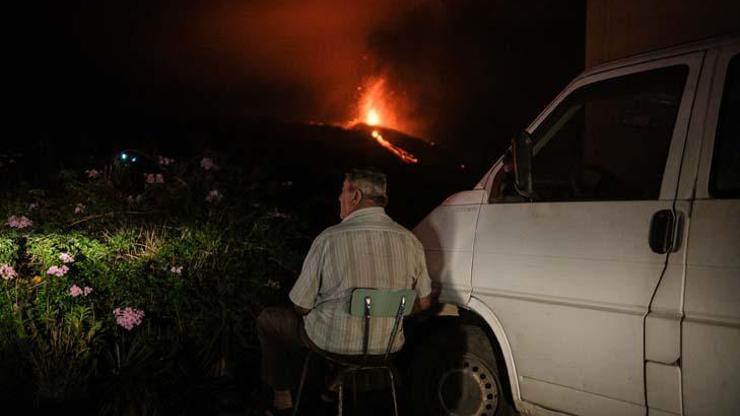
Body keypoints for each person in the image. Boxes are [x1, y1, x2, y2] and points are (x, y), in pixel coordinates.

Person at [257, 168, 432, 415]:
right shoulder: (411, 241)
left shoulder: (329, 239)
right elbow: (424, 304)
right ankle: (333, 386)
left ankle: (282, 398)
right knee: (352, 327)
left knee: (270, 320)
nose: (339, 198)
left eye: (342, 192)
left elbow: (301, 306)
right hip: (386, 348)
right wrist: (390, 307)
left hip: (331, 343)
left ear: (356, 196)